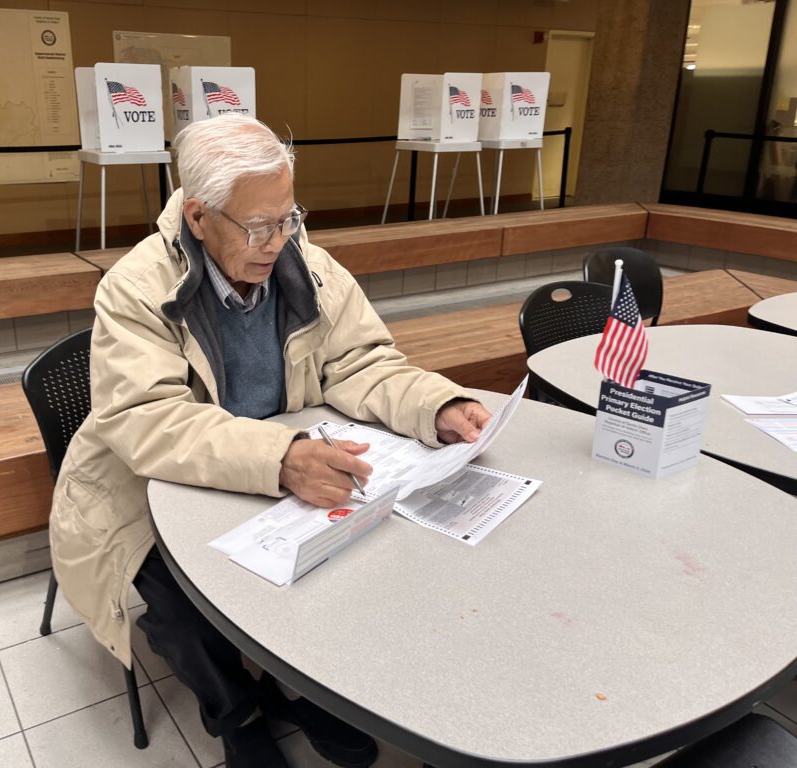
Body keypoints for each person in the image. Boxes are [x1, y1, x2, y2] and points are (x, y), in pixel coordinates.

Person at [49, 114, 492, 768]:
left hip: (279, 468)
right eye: (258, 226)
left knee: (348, 561)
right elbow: (147, 421)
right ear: (199, 218)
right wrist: (279, 460)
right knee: (181, 602)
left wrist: (437, 403)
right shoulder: (136, 288)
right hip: (154, 486)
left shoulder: (306, 267)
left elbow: (363, 362)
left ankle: (306, 688)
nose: (278, 241)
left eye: (288, 217)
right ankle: (237, 712)